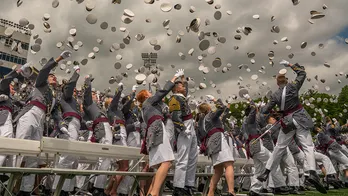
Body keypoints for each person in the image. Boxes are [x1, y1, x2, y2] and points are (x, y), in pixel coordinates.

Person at [257, 60, 327, 194]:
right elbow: (302, 73)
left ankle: (266, 172)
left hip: (287, 122)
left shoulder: (274, 95)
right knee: (308, 146)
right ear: (286, 81)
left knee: (279, 147)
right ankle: (312, 172)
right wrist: (290, 65)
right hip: (300, 119)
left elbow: (265, 111)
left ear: (278, 83)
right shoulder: (293, 86)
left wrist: (263, 108)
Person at [15, 51, 72, 196]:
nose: (53, 77)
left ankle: (25, 190)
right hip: (31, 113)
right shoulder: (40, 83)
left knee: (34, 155)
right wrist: (58, 58)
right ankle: (12, 185)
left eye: (54, 76)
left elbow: (56, 114)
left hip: (41, 120)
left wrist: (62, 126)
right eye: (51, 76)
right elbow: (45, 70)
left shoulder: (54, 96)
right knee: (20, 150)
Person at [136, 69, 184, 196]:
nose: (151, 93)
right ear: (145, 96)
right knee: (167, 162)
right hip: (157, 129)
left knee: (161, 166)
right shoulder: (148, 102)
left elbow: (161, 100)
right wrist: (174, 78)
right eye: (149, 92)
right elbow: (163, 92)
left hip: (153, 132)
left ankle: (151, 193)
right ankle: (155, 193)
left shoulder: (147, 107)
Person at [197, 97, 235, 196]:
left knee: (218, 170)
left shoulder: (202, 120)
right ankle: (231, 191)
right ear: (208, 109)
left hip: (210, 143)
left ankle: (210, 192)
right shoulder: (210, 116)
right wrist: (215, 100)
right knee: (229, 164)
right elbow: (221, 107)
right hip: (218, 139)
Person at [52, 65, 81, 195]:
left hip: (76, 124)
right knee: (67, 156)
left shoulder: (73, 101)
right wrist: (76, 74)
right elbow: (69, 87)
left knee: (74, 159)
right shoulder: (65, 96)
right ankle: (58, 189)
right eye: (72, 90)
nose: (74, 91)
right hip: (69, 123)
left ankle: (67, 189)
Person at [83, 75, 113, 196]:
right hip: (101, 126)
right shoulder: (89, 104)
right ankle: (97, 187)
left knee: (104, 158)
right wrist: (87, 82)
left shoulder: (100, 107)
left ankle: (96, 185)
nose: (95, 96)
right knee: (104, 156)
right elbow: (87, 95)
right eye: (93, 94)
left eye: (96, 94)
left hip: (106, 127)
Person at [169, 76, 198, 196]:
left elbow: (186, 86)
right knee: (183, 158)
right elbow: (175, 116)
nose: (184, 86)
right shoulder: (175, 98)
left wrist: (183, 79)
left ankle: (188, 184)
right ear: (176, 88)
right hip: (184, 126)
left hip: (190, 125)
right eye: (181, 85)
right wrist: (182, 128)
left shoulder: (182, 97)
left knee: (192, 157)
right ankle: (178, 186)